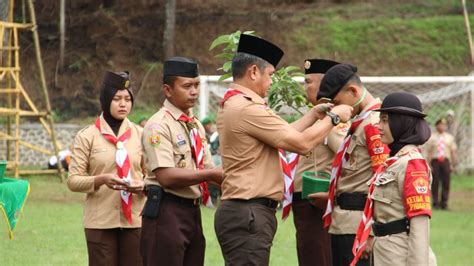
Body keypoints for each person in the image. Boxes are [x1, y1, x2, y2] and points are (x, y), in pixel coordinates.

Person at [215, 34, 353, 265]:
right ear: (253, 72)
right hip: (248, 211)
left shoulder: (239, 104)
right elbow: (300, 144)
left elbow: (285, 135)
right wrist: (333, 117)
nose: (270, 82)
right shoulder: (248, 109)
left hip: (247, 212)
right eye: (270, 75)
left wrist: (312, 115)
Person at [140, 57, 223, 266]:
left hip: (193, 212)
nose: (194, 91)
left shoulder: (194, 124)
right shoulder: (158, 126)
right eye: (187, 86)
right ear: (168, 90)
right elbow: (167, 177)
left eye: (196, 85)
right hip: (167, 212)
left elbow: (206, 167)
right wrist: (212, 175)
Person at [67, 71, 146, 266]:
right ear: (105, 100)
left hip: (135, 221)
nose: (123, 104)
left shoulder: (141, 135)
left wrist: (142, 185)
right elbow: (73, 180)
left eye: (127, 99)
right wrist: (100, 180)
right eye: (117, 98)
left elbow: (154, 176)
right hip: (100, 222)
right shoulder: (87, 136)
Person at [351, 92, 437, 266]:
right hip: (387, 254)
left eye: (384, 120)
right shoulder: (395, 161)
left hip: (402, 256)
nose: (378, 126)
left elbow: (419, 224)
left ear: (401, 123)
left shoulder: (412, 164)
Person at [317, 64, 390, 266]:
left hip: (358, 227)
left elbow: (382, 180)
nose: (335, 107)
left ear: (353, 91)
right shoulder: (360, 121)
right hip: (345, 223)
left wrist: (372, 230)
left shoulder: (374, 123)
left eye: (338, 102)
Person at [291, 58, 349, 266]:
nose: (304, 87)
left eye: (308, 82)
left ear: (325, 83)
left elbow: (347, 154)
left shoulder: (333, 118)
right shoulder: (316, 115)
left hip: (316, 202)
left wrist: (335, 194)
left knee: (317, 258)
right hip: (305, 201)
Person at [426, 118, 457, 210]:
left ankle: (444, 203)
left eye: (444, 125)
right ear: (436, 126)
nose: (442, 127)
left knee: (446, 183)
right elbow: (429, 152)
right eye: (440, 125)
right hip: (435, 161)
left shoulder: (449, 137)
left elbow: (453, 151)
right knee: (435, 182)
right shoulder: (432, 137)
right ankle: (435, 203)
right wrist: (429, 164)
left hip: (446, 161)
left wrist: (453, 163)